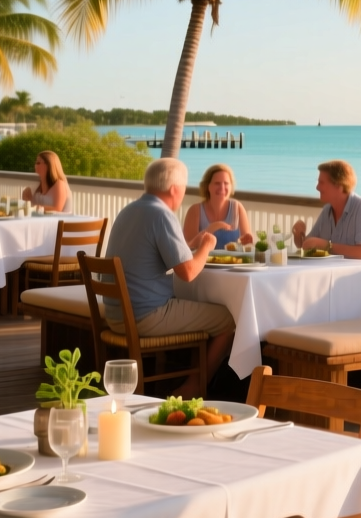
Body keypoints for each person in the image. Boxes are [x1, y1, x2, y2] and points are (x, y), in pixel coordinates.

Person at [104, 158, 235, 396]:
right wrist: (206, 245)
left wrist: (193, 245)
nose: (183, 194)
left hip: (116, 315)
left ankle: (194, 380)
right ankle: (196, 385)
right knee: (229, 318)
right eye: (184, 188)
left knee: (202, 309)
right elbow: (188, 273)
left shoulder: (129, 211)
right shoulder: (162, 215)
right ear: (174, 189)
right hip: (145, 317)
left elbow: (166, 254)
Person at [293, 159, 361, 261]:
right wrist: (298, 235)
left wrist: (327, 246)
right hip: (336, 274)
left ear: (339, 185)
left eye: (321, 182)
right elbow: (309, 245)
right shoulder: (327, 211)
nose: (317, 187)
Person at [184, 163, 252, 250]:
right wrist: (212, 228)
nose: (222, 187)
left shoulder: (237, 207)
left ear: (231, 186)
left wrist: (248, 240)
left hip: (232, 262)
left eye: (226, 183)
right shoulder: (195, 210)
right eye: (217, 183)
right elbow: (189, 247)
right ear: (208, 186)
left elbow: (247, 245)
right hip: (203, 262)